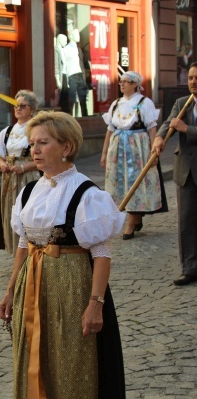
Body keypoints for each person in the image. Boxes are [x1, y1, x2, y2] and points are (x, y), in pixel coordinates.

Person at [0, 111, 126, 399]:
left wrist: (96, 304)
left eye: (43, 143)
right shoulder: (29, 191)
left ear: (66, 147)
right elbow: (23, 244)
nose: (35, 150)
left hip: (70, 286)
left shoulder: (87, 194)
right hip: (31, 286)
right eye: (32, 144)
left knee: (69, 359)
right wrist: (10, 290)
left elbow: (102, 252)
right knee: (34, 354)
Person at [101, 71, 166, 241]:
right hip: (118, 147)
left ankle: (131, 221)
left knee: (137, 182)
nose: (122, 84)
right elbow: (110, 130)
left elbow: (152, 128)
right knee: (120, 183)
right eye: (120, 82)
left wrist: (154, 151)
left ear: (135, 84)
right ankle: (134, 217)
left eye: (126, 82)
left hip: (138, 148)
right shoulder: (115, 104)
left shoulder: (145, 103)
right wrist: (104, 153)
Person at [152, 62, 197, 286]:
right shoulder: (182, 103)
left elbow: (180, 127)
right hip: (186, 170)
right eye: (190, 78)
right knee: (186, 223)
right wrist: (160, 137)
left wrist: (187, 129)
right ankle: (189, 268)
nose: (193, 82)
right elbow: (168, 123)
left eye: (196, 78)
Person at [0, 90, 41, 256]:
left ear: (32, 109)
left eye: (23, 106)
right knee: (11, 212)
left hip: (29, 177)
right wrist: (2, 165)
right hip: (10, 179)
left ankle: (32, 251)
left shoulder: (36, 129)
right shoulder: (7, 131)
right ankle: (17, 252)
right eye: (16, 106)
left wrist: (23, 167)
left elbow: (44, 159)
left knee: (28, 212)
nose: (18, 109)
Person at [62, 28, 89, 117]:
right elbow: (63, 64)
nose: (79, 36)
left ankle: (85, 117)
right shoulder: (66, 49)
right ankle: (70, 118)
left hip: (80, 75)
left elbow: (84, 62)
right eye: (77, 35)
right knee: (71, 99)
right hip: (71, 75)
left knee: (83, 99)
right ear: (72, 36)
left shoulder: (79, 49)